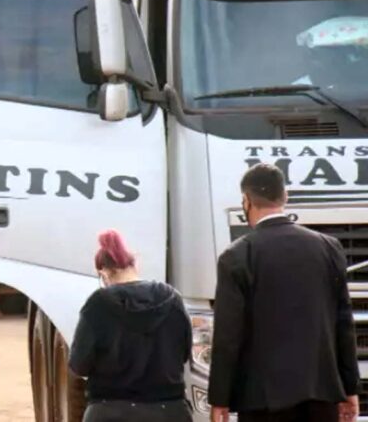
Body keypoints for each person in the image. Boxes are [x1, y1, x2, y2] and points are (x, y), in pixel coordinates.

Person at [209, 164, 360, 422]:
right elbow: (343, 324)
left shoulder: (236, 256)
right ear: (285, 197)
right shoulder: (329, 248)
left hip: (263, 400)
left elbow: (227, 335)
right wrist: (350, 388)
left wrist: (219, 399)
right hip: (321, 394)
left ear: (246, 200)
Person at [69, 230, 192, 422]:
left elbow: (79, 364)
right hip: (169, 410)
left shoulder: (98, 303)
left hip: (110, 411)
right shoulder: (172, 298)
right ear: (134, 264)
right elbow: (184, 353)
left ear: (103, 273)